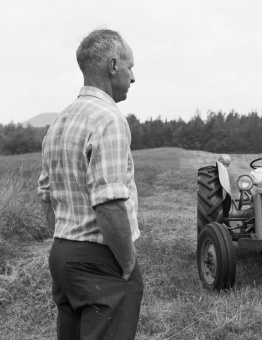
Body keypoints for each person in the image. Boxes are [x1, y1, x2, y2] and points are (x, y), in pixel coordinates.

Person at [38, 29, 143, 340]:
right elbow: (108, 203)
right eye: (130, 66)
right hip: (102, 259)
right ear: (113, 66)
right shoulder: (108, 119)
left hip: (62, 255)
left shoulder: (60, 121)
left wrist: (68, 239)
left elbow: (46, 199)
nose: (133, 77)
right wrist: (126, 263)